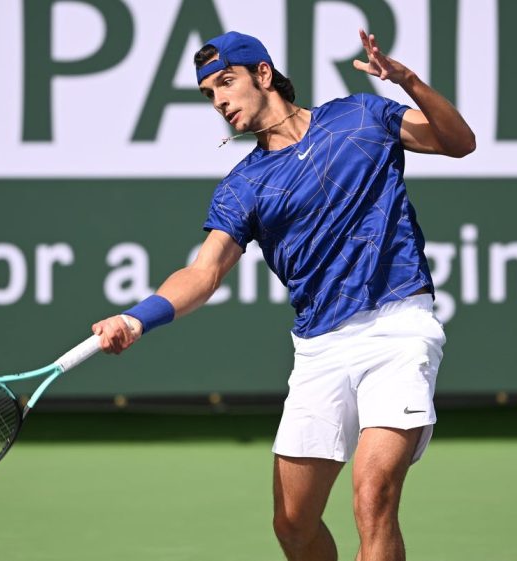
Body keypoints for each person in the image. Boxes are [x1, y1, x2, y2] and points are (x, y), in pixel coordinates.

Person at [92, 29, 475, 561]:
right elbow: (203, 273)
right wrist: (137, 319)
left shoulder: (361, 118)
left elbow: (459, 142)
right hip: (319, 349)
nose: (220, 101)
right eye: (209, 94)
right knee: (294, 526)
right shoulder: (243, 185)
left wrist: (407, 81)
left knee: (374, 495)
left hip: (398, 328)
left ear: (264, 75)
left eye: (226, 83)